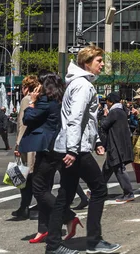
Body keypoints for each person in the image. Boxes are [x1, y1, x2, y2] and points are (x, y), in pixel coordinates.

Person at [45, 46, 120, 254]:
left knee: (65, 195)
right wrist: (72, 149)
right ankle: (94, 241)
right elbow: (75, 119)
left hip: (74, 147)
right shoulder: (83, 86)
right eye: (98, 60)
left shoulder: (78, 84)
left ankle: (53, 245)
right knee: (99, 189)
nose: (102, 64)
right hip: (76, 149)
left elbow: (88, 120)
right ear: (87, 64)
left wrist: (96, 141)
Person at [20, 72, 77, 244]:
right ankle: (43, 229)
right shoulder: (61, 99)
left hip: (48, 149)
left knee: (38, 189)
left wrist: (31, 102)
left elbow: (28, 118)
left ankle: (69, 217)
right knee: (45, 187)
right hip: (59, 146)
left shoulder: (45, 101)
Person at [12, 74, 40, 219]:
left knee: (25, 177)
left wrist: (17, 144)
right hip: (36, 143)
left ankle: (25, 207)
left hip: (26, 143)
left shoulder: (26, 100)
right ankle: (26, 207)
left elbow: (23, 124)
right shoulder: (38, 99)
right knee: (31, 176)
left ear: (26, 87)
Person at [99, 92, 135, 203]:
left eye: (108, 102)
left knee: (119, 168)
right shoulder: (122, 111)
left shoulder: (114, 112)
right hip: (120, 144)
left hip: (116, 145)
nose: (107, 104)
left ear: (111, 102)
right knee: (107, 169)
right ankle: (99, 191)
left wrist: (104, 116)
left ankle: (128, 192)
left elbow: (104, 125)